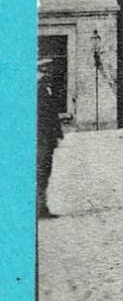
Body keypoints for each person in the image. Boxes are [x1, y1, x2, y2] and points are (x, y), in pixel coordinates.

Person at [37, 59, 63, 219]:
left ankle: (41, 207)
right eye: (44, 70)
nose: (47, 74)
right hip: (41, 139)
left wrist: (57, 133)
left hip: (47, 138)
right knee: (40, 172)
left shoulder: (45, 89)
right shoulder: (38, 90)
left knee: (44, 172)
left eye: (48, 70)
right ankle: (38, 209)